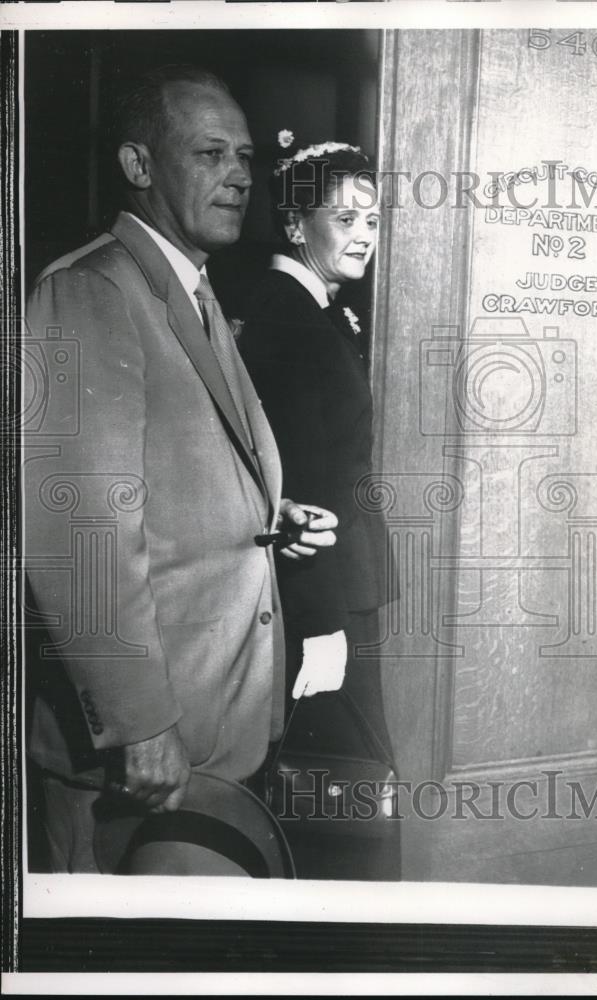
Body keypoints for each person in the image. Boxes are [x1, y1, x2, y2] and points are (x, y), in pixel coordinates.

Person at [23, 65, 339, 874]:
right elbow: (77, 530)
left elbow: (172, 475)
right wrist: (138, 724)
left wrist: (270, 516)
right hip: (141, 752)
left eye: (243, 155)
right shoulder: (89, 290)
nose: (239, 173)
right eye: (209, 154)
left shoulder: (187, 284)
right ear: (139, 166)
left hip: (210, 728)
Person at [238, 141, 398, 878]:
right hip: (322, 600)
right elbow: (301, 486)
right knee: (343, 791)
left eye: (373, 216)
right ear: (298, 224)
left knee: (343, 786)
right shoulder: (290, 320)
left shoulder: (308, 309)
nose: (365, 232)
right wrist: (324, 624)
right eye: (346, 216)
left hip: (337, 591)